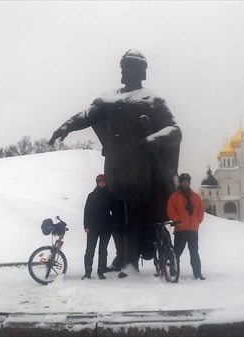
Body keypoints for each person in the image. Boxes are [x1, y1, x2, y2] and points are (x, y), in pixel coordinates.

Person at [49, 49, 182, 276]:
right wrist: (66, 126)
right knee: (117, 217)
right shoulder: (108, 99)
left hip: (140, 171)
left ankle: (131, 262)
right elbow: (87, 114)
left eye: (128, 67)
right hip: (114, 168)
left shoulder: (151, 100)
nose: (123, 71)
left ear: (141, 71)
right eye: (122, 66)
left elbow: (175, 130)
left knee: (135, 215)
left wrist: (155, 138)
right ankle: (121, 257)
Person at [167, 173, 205, 280]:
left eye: (187, 181)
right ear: (180, 182)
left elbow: (201, 210)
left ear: (189, 183)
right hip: (180, 229)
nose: (185, 183)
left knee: (194, 252)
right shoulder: (174, 197)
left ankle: (197, 273)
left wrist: (199, 220)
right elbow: (170, 209)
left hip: (193, 230)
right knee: (177, 252)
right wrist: (176, 219)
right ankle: (173, 271)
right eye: (183, 181)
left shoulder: (196, 197)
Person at [82, 174, 118, 280]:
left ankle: (101, 271)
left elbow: (115, 211)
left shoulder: (110, 196)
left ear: (106, 183)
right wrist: (86, 225)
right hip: (93, 227)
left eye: (103, 182)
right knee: (90, 250)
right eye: (100, 182)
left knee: (103, 250)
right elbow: (86, 211)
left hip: (106, 227)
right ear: (97, 183)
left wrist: (112, 222)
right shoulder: (91, 195)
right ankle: (87, 271)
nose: (102, 184)